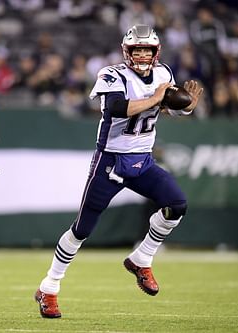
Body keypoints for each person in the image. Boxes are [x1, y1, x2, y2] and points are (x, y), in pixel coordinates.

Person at [34, 24, 203, 318]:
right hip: (110, 161)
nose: (140, 54)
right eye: (136, 49)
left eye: (145, 50)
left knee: (177, 205)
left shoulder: (163, 73)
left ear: (155, 52)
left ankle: (142, 258)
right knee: (82, 229)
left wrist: (185, 108)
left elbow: (167, 109)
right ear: (126, 51)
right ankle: (49, 287)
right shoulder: (112, 74)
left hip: (143, 160)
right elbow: (116, 107)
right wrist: (156, 97)